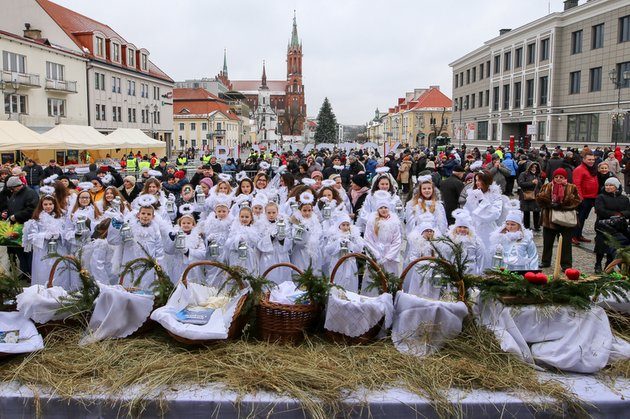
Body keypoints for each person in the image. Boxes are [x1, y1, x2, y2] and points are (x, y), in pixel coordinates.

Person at [108, 195, 165, 290]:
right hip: (130, 267)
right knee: (128, 290)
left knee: (146, 291)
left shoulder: (156, 232)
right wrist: (116, 225)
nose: (145, 216)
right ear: (138, 215)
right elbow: (113, 240)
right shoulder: (129, 228)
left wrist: (159, 269)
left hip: (147, 270)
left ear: (153, 216)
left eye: (148, 214)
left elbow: (159, 251)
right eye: (143, 213)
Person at [536, 168, 581, 270]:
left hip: (565, 220)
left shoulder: (571, 187)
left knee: (566, 244)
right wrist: (549, 203)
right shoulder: (547, 186)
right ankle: (545, 261)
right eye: (556, 177)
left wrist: (563, 205)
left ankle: (566, 264)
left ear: (565, 178)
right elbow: (539, 199)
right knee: (547, 242)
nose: (558, 179)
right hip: (549, 219)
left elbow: (577, 201)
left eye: (561, 177)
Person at [363, 191, 402, 296]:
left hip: (390, 257)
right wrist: (376, 255)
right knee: (374, 279)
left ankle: (391, 296)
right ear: (377, 209)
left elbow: (397, 240)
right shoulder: (372, 221)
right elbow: (368, 239)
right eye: (381, 208)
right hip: (376, 255)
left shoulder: (394, 222)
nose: (384, 210)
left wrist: (389, 256)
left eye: (386, 207)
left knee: (389, 278)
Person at [464, 171, 504, 270]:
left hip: (488, 230)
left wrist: (482, 201)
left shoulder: (495, 195)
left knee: (488, 254)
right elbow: (467, 210)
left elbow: (495, 214)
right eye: (476, 180)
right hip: (474, 228)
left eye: (480, 180)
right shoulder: (473, 193)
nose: (477, 183)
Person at [2, 176, 39, 276]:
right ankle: (24, 271)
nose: (11, 190)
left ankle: (31, 273)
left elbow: (32, 209)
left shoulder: (30, 193)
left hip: (26, 227)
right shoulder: (15, 194)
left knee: (27, 252)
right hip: (16, 227)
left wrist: (16, 216)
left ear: (18, 186)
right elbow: (11, 206)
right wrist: (6, 213)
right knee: (19, 251)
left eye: (12, 188)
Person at [593, 177, 630, 273]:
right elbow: (600, 210)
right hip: (603, 226)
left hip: (618, 227)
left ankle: (609, 265)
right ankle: (598, 264)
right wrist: (614, 214)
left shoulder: (624, 199)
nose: (608, 187)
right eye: (606, 185)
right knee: (601, 246)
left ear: (616, 187)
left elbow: (628, 210)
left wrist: (621, 214)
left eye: (611, 185)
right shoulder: (601, 197)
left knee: (613, 246)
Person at [489, 202, 538, 271]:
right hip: (505, 269)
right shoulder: (501, 237)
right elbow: (496, 257)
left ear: (519, 225)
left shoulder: (526, 239)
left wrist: (533, 272)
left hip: (522, 270)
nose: (509, 227)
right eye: (507, 224)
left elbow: (533, 256)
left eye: (513, 224)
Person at [323, 213, 364, 292]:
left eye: (347, 225)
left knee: (350, 283)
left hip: (350, 263)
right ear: (339, 225)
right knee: (337, 282)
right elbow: (328, 249)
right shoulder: (334, 236)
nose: (345, 227)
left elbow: (359, 249)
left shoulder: (353, 236)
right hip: (337, 262)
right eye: (343, 225)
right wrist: (338, 243)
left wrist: (350, 244)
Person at [572, 152, 598, 244]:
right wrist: (580, 198)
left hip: (591, 197)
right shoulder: (579, 169)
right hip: (584, 198)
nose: (591, 161)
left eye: (593, 160)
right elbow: (576, 184)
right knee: (579, 218)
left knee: (583, 218)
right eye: (589, 159)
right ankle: (573, 236)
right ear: (584, 159)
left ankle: (579, 235)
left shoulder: (591, 169)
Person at [517, 161, 542, 232]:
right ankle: (526, 226)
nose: (534, 168)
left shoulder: (537, 175)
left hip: (536, 195)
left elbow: (540, 185)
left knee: (536, 211)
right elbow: (521, 183)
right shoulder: (523, 174)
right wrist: (531, 183)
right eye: (532, 167)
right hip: (526, 195)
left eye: (535, 167)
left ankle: (537, 226)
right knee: (526, 211)